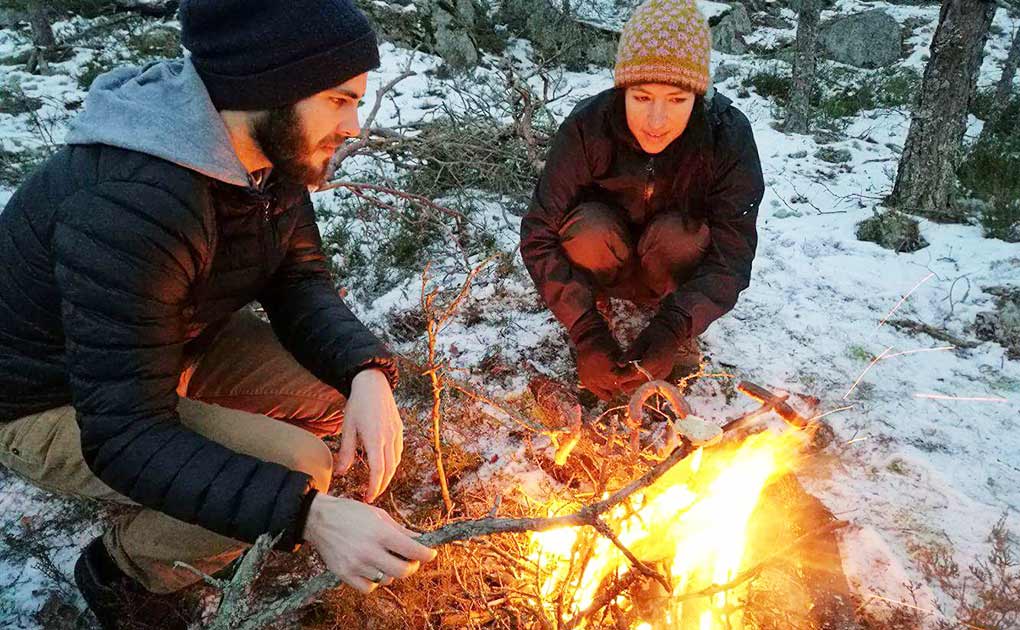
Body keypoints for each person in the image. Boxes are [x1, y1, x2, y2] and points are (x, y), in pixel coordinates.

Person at [0, 1, 435, 627]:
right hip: (48, 399)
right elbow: (122, 434)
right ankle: (125, 569)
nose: (355, 126)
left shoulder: (263, 152)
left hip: (172, 340)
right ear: (268, 86)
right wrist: (303, 514)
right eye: (341, 100)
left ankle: (209, 489)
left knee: (344, 398)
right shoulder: (135, 204)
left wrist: (364, 369)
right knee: (297, 467)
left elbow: (298, 278)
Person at [520, 0, 765, 401]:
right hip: (604, 259)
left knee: (683, 234)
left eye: (676, 100)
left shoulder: (727, 136)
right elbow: (539, 233)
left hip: (670, 263)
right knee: (587, 228)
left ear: (698, 97)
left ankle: (676, 330)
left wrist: (672, 327)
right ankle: (599, 315)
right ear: (622, 90)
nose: (656, 121)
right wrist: (585, 329)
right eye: (641, 97)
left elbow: (731, 252)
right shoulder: (588, 126)